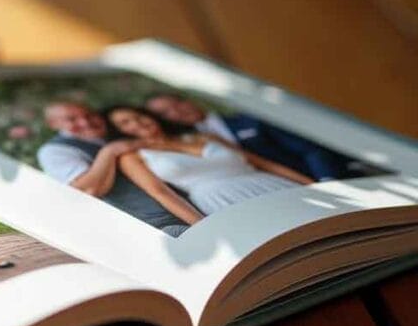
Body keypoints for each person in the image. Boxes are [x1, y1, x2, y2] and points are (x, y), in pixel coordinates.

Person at [105, 106, 314, 217]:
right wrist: (202, 225)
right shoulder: (133, 156)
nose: (137, 123)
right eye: (125, 122)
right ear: (119, 131)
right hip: (221, 201)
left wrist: (312, 185)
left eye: (138, 116)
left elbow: (264, 163)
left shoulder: (204, 137)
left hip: (271, 184)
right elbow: (161, 193)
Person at [36, 99, 189, 236]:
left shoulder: (114, 131)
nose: (84, 122)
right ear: (53, 124)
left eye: (89, 115)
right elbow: (87, 190)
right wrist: (110, 152)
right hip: (158, 227)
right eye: (71, 119)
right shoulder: (54, 151)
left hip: (187, 208)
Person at [144, 94, 351, 181]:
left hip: (322, 177)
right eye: (166, 113)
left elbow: (310, 149)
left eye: (177, 104)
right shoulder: (186, 146)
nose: (177, 111)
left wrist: (327, 179)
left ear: (189, 100)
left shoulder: (249, 120)